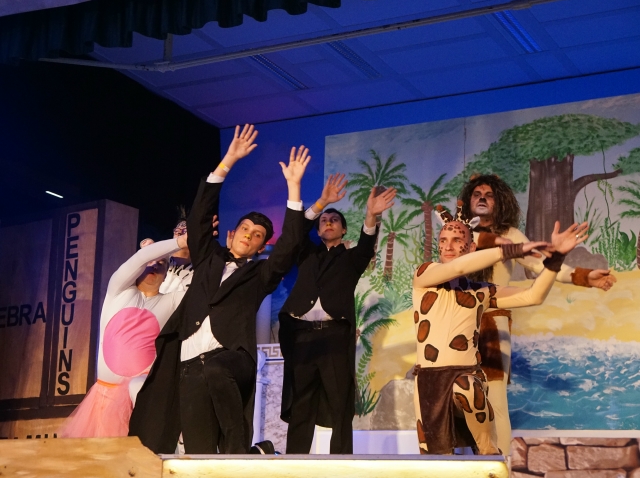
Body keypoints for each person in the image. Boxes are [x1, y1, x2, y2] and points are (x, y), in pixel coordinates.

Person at [129, 124, 309, 454]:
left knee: (216, 368)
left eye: (257, 235)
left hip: (232, 358)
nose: (248, 235)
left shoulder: (260, 275)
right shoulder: (208, 258)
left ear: (260, 247)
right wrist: (228, 161)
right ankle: (240, 457)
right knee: (198, 451)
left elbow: (289, 246)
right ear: (231, 233)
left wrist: (294, 187)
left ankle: (239, 454)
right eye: (245, 228)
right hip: (189, 363)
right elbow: (199, 216)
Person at [411, 202, 589, 455]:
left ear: (471, 247)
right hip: (430, 381)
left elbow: (533, 296)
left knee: (468, 388)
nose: (448, 246)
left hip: (467, 374)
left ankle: (488, 453)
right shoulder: (424, 275)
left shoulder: (481, 292)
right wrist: (513, 250)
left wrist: (556, 259)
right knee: (435, 461)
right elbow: (457, 268)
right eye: (443, 240)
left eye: (457, 240)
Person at [458, 174, 616, 454]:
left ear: (500, 202)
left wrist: (584, 276)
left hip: (492, 322)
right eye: (477, 194)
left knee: (495, 401)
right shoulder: (459, 233)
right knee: (457, 400)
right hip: (455, 322)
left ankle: (499, 467)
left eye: (489, 194)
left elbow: (543, 265)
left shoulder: (510, 236)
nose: (482, 198)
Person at [278, 173, 397, 454]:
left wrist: (371, 215)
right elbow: (296, 230)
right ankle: (294, 464)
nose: (328, 223)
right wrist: (320, 203)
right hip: (302, 336)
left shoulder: (351, 259)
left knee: (340, 402)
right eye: (324, 221)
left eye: (334, 220)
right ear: (318, 230)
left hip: (334, 337)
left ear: (344, 230)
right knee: (301, 404)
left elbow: (366, 243)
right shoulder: (306, 253)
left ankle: (341, 462)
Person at [59, 235, 189, 438]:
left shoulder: (172, 302)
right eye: (151, 260)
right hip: (104, 401)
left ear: (167, 275)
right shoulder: (118, 289)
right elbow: (139, 259)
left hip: (142, 396)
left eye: (161, 263)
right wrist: (180, 242)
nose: (154, 265)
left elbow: (204, 291)